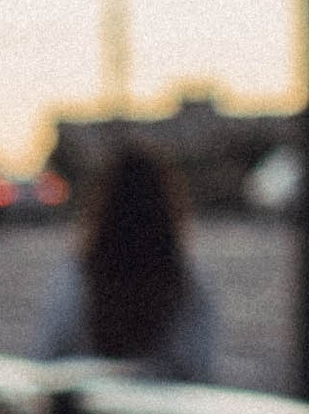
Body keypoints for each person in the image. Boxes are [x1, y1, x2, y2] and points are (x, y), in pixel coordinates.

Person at [34, 141, 222, 379]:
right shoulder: (189, 280)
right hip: (158, 413)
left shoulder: (76, 275)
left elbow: (48, 357)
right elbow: (198, 367)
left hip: (90, 411)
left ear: (102, 207)